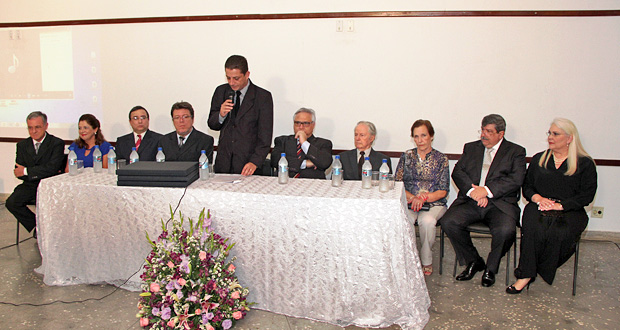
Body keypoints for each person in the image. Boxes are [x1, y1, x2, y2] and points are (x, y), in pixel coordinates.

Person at [506, 118, 597, 294]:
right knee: (532, 229)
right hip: (539, 204)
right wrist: (539, 199)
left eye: (556, 134)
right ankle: (525, 275)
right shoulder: (539, 158)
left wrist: (560, 206)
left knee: (560, 233)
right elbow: (528, 187)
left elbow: (587, 196)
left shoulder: (585, 163)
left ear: (569, 138)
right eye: (550, 133)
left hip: (570, 210)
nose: (550, 137)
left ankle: (540, 268)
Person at [441, 114, 526, 287]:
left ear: (500, 134)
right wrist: (473, 192)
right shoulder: (471, 148)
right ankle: (474, 261)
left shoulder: (516, 152)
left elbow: (516, 180)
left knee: (505, 230)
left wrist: (486, 191)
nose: (483, 135)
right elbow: (458, 172)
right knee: (448, 222)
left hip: (499, 203)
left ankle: (491, 268)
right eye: (482, 130)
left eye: (488, 131)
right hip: (471, 201)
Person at [394, 120, 449, 276]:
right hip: (409, 201)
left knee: (427, 221)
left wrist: (423, 198)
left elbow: (443, 190)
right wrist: (412, 197)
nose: (420, 140)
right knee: (405, 219)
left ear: (431, 136)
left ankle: (426, 260)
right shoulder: (406, 156)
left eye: (423, 135)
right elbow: (397, 183)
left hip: (433, 203)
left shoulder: (441, 159)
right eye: (416, 136)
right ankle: (410, 258)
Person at [208, 55, 273, 176]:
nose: (231, 83)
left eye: (236, 78)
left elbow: (265, 136)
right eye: (228, 78)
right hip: (224, 163)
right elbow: (212, 124)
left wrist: (254, 162)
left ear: (247, 74)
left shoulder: (262, 97)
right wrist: (220, 115)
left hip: (249, 165)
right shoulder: (221, 91)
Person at [6, 111, 65, 236]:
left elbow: (52, 169)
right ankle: (37, 228)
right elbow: (18, 172)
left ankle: (48, 231)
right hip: (30, 184)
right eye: (30, 128)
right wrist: (34, 171)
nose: (33, 131)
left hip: (49, 185)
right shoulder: (22, 145)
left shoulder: (56, 143)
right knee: (11, 202)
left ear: (46, 126)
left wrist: (28, 170)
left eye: (37, 127)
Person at [271, 108, 332, 179]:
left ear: (313, 125)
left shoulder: (324, 143)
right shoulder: (282, 141)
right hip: (285, 181)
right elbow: (275, 161)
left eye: (305, 123)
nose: (301, 127)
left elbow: (325, 163)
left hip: (312, 184)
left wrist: (304, 143)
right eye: (297, 123)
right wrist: (305, 163)